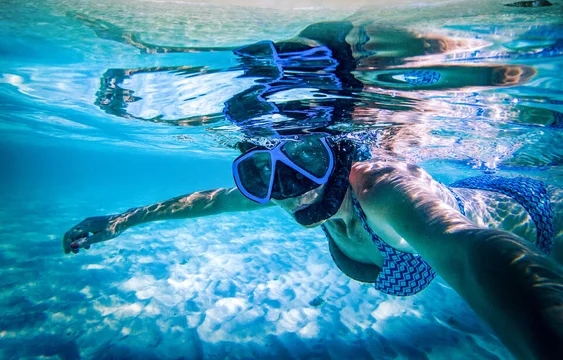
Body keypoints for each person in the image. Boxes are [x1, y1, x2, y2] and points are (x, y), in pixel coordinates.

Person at [64, 134, 563, 359]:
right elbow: (206, 203)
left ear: (341, 153)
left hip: (533, 217)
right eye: (261, 170)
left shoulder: (379, 188)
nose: (287, 184)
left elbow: (466, 249)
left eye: (307, 155)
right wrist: (119, 222)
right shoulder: (284, 186)